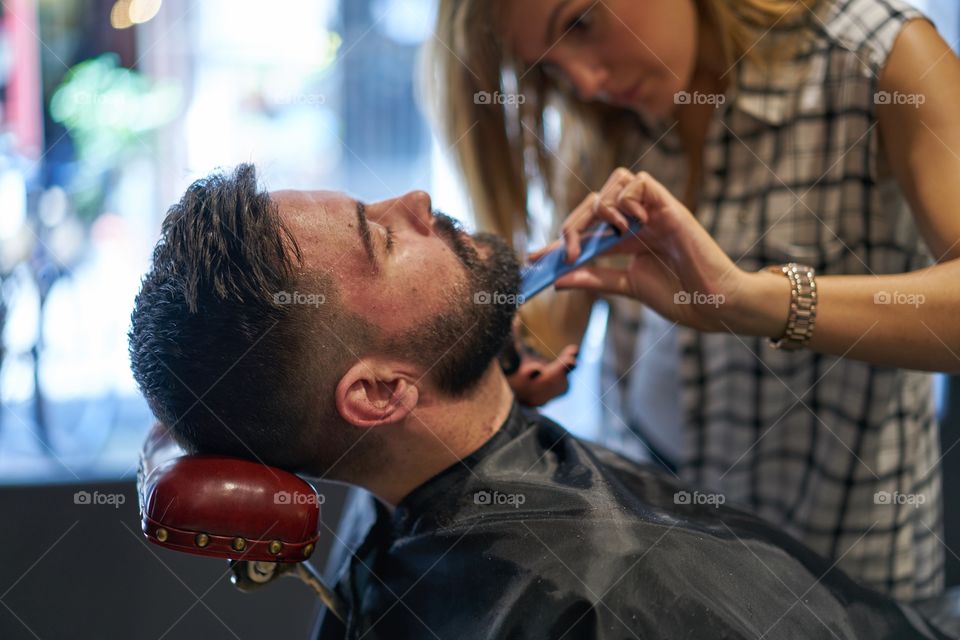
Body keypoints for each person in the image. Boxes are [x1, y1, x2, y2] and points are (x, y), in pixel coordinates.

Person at [128, 165, 955, 639]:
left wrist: (482, 362)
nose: (416, 201)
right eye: (382, 238)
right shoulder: (598, 599)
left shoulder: (378, 498)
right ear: (380, 393)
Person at [424, 0, 960, 601]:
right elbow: (552, 341)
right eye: (549, 68)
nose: (587, 82)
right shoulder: (608, 122)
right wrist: (508, 364)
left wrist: (754, 301)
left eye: (580, 23)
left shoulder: (879, 60)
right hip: (659, 578)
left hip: (842, 586)